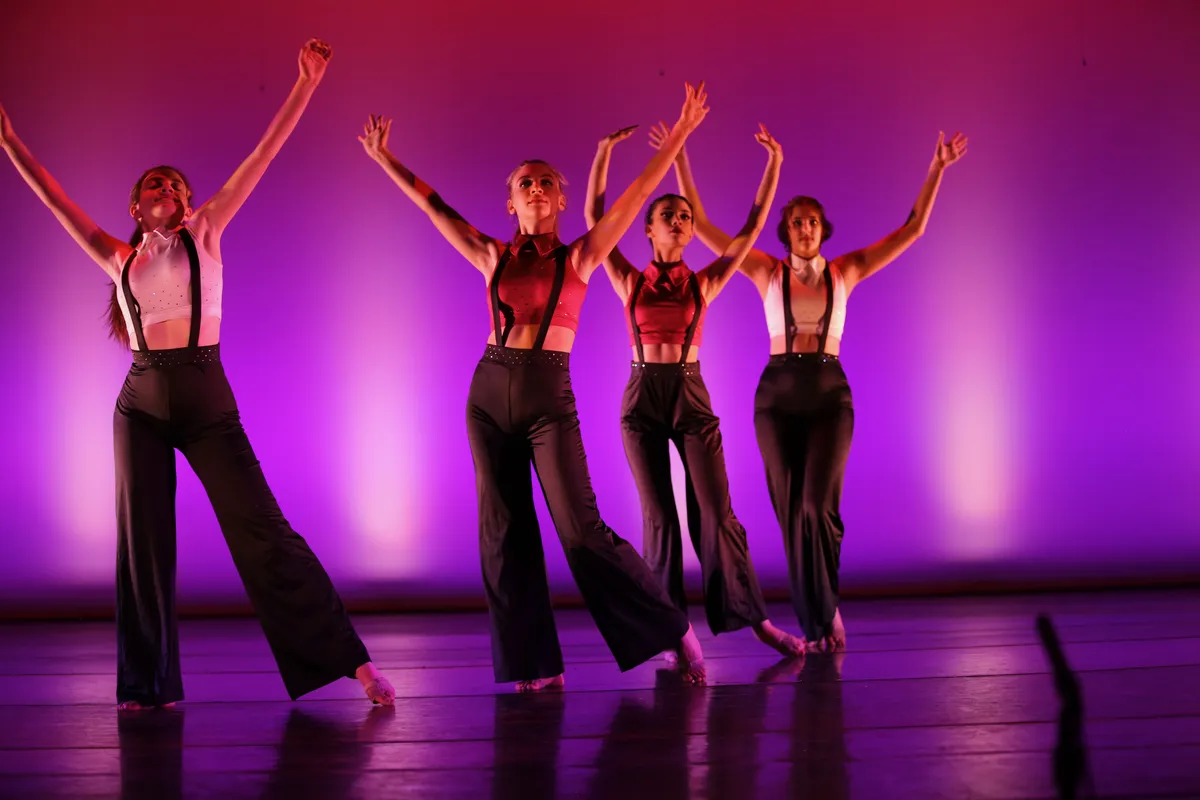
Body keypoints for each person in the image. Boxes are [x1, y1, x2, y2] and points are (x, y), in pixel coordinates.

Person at [0, 40, 395, 708]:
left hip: (206, 399)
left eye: (177, 185)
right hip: (139, 405)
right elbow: (54, 199)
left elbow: (263, 154)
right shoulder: (119, 258)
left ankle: (353, 665)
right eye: (156, 184)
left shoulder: (206, 231)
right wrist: (10, 141)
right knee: (143, 544)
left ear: (188, 203)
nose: (169, 190)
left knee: (262, 529)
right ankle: (146, 684)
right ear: (136, 205)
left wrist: (305, 84)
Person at [359, 83, 713, 689]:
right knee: (504, 534)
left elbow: (634, 197)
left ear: (560, 199)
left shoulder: (580, 256)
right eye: (526, 182)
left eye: (546, 181)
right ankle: (535, 666)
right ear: (511, 201)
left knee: (581, 531)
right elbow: (434, 206)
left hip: (548, 396)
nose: (536, 187)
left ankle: (671, 627)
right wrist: (384, 157)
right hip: (488, 395)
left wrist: (679, 134)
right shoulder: (492, 255)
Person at [656, 122, 968, 651]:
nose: (805, 228)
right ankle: (820, 615)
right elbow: (704, 225)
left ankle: (824, 613)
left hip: (828, 394)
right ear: (786, 231)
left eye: (813, 222)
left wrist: (937, 168)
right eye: (797, 222)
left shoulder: (846, 271)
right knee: (789, 510)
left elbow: (913, 229)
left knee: (817, 509)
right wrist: (681, 155)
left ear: (824, 230)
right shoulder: (765, 271)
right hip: (776, 397)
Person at [584, 123, 804, 660]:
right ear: (648, 229)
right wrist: (603, 151)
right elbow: (594, 218)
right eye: (670, 215)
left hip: (690, 394)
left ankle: (757, 622)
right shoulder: (629, 280)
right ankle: (670, 631)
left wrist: (774, 163)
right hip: (641, 398)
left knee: (715, 511)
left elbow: (752, 228)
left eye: (685, 216)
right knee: (659, 520)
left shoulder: (704, 282)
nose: (681, 221)